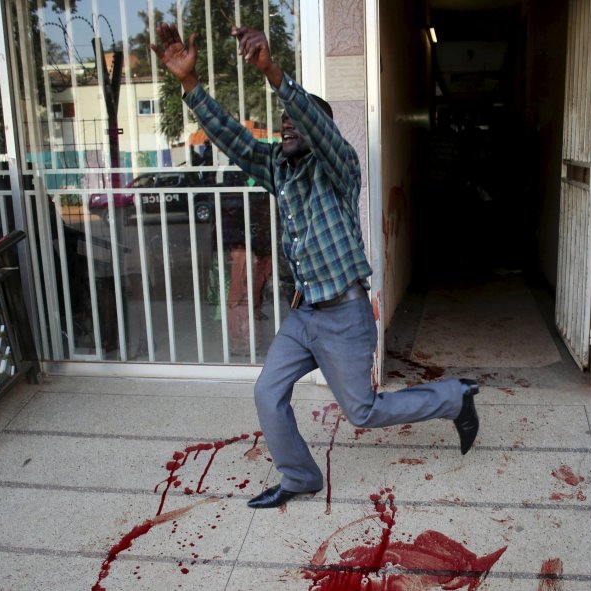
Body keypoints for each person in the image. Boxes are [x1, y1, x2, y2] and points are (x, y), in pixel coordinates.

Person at [151, 23, 480, 509]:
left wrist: (271, 71)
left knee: (362, 413)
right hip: (304, 316)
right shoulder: (278, 169)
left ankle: (454, 398)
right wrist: (190, 84)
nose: (287, 124)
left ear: (320, 133)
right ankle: (300, 476)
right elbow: (233, 139)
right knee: (268, 391)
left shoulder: (341, 169)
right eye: (284, 120)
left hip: (345, 317)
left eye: (297, 121)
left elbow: (320, 128)